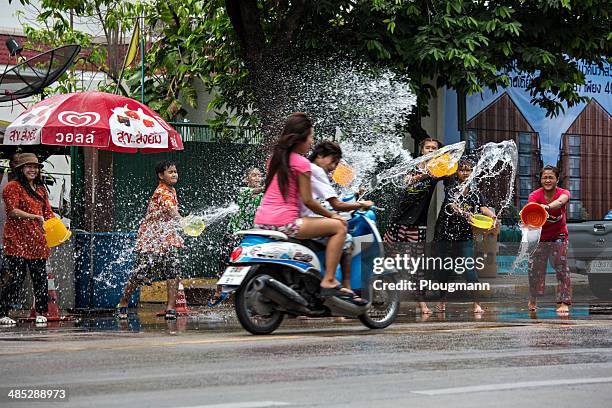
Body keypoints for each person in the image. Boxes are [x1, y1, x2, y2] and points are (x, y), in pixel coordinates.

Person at [253, 112, 353, 303]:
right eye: (310, 138)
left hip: (261, 220)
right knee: (340, 227)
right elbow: (309, 201)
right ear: (300, 139)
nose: (311, 143)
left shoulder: (274, 158)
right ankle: (330, 280)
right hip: (287, 223)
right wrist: (333, 216)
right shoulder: (301, 163)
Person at [300, 141, 374, 304]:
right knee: (346, 239)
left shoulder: (306, 169)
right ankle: (345, 290)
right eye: (332, 161)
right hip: (310, 223)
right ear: (319, 156)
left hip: (299, 219)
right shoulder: (316, 171)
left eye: (336, 163)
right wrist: (362, 204)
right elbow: (337, 205)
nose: (334, 166)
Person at [116, 160, 184, 320]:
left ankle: (170, 308)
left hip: (167, 236)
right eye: (170, 172)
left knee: (173, 270)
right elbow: (170, 209)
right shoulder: (162, 192)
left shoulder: (172, 190)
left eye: (175, 171)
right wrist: (181, 220)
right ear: (161, 175)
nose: (174, 174)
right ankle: (123, 302)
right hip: (152, 238)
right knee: (140, 273)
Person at [383, 137, 443, 315]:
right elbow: (404, 183)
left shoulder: (438, 170)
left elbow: (451, 167)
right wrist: (426, 173)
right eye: (428, 147)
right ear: (421, 150)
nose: (431, 150)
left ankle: (422, 305)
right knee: (387, 260)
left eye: (434, 148)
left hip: (417, 224)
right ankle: (383, 298)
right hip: (397, 221)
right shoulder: (411, 166)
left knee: (416, 266)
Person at [433, 158, 497, 314]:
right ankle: (442, 300)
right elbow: (451, 205)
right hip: (445, 235)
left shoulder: (476, 191)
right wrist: (463, 213)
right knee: (444, 271)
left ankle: (476, 304)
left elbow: (483, 208)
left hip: (464, 236)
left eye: (468, 170)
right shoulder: (451, 187)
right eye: (462, 170)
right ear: (457, 172)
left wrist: (494, 216)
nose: (465, 173)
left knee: (470, 271)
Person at [0, 153, 55, 326]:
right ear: (21, 169)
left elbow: (48, 213)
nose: (33, 170)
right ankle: (3, 312)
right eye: (29, 167)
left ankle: (41, 311)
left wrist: (56, 227)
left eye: (36, 167)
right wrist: (35, 217)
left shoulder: (40, 189)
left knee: (39, 278)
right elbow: (12, 211)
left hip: (38, 241)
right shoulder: (12, 187)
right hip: (16, 240)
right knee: (16, 277)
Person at [209, 168, 264, 307]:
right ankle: (219, 291)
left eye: (259, 175)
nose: (257, 178)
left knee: (248, 264)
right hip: (234, 233)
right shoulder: (243, 191)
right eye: (253, 175)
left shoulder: (264, 196)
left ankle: (247, 296)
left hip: (251, 235)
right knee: (224, 262)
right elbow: (255, 191)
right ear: (247, 179)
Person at [527, 165, 571, 315]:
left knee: (562, 267)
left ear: (557, 179)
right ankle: (533, 298)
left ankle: (564, 302)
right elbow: (530, 209)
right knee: (535, 270)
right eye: (544, 177)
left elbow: (561, 201)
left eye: (551, 177)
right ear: (540, 179)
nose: (547, 180)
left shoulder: (563, 193)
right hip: (539, 237)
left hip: (559, 235)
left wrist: (546, 207)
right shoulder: (534, 195)